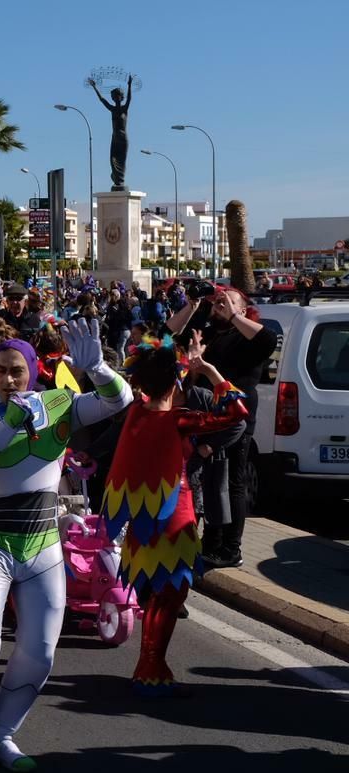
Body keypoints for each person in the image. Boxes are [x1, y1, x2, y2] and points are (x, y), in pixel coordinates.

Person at [0, 323, 128, 773]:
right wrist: (7, 427)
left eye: (17, 371)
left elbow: (121, 400)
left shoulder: (57, 404)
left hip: (44, 545)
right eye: (1, 371)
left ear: (33, 371)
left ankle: (0, 736)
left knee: (40, 651)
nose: (8, 380)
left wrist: (97, 368)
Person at [105, 333, 245, 694]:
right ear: (175, 381)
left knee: (155, 593)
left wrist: (177, 367)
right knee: (171, 594)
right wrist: (211, 372)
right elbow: (236, 412)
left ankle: (148, 661)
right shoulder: (181, 420)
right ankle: (150, 664)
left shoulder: (134, 413)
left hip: (140, 519)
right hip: (175, 519)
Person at [164, 287, 276, 567]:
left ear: (243, 308)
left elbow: (267, 340)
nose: (220, 305)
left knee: (232, 482)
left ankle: (231, 549)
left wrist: (234, 313)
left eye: (227, 301)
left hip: (235, 418)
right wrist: (192, 305)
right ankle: (210, 544)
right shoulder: (211, 333)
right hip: (207, 415)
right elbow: (165, 334)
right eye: (217, 302)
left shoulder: (247, 335)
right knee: (211, 482)